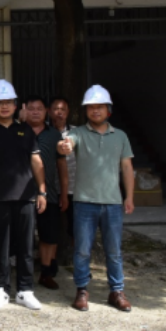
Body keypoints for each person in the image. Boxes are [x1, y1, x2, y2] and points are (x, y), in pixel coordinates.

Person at [59, 85, 136, 313]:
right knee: (82, 250)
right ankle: (82, 290)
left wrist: (129, 197)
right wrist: (64, 146)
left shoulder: (120, 135)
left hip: (113, 203)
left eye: (100, 106)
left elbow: (127, 167)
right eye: (91, 107)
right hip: (84, 202)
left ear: (108, 109)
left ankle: (117, 291)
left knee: (114, 251)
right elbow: (66, 144)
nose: (95, 110)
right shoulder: (79, 133)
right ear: (86, 110)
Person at [0, 80, 47, 311]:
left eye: (8, 102)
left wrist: (42, 190)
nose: (4, 106)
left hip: (26, 196)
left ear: (15, 105)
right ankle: (1, 289)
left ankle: (25, 290)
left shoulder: (25, 130)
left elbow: (36, 162)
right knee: (1, 245)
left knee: (26, 246)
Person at [24, 96, 69, 291]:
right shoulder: (18, 131)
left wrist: (64, 194)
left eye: (39, 108)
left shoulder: (54, 135)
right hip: (22, 194)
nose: (35, 112)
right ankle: (22, 273)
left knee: (49, 235)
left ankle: (46, 272)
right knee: (23, 235)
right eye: (31, 108)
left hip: (48, 193)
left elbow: (62, 166)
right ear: (24, 110)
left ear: (46, 112)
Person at [49, 97, 77, 241]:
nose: (59, 113)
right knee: (51, 229)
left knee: (75, 228)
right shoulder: (44, 132)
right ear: (49, 111)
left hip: (74, 188)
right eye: (56, 109)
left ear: (68, 112)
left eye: (63, 110)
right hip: (51, 189)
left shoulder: (76, 132)